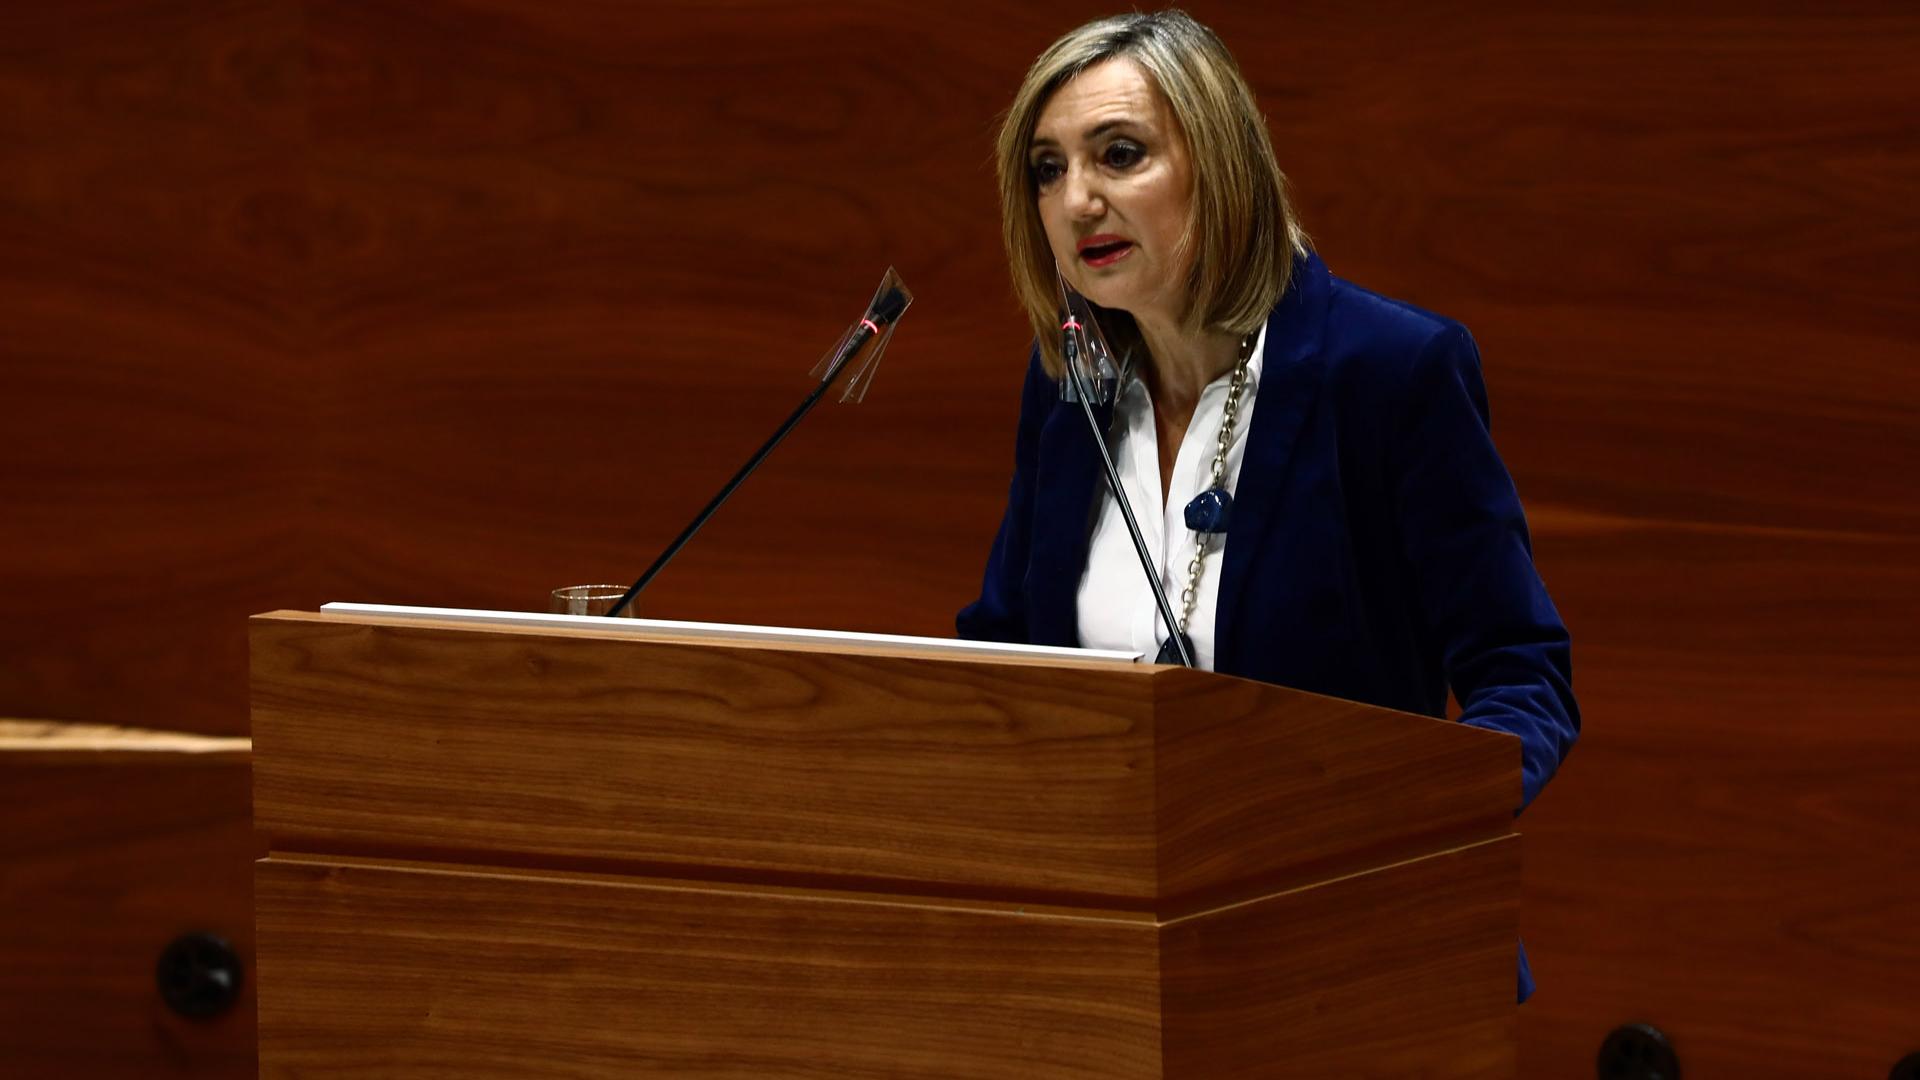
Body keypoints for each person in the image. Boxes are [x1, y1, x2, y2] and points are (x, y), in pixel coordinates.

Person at [955, 10, 1579, 1002]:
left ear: (1220, 166)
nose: (1078, 200)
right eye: (1046, 169)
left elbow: (1523, 674)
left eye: (1119, 155)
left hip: (1348, 965)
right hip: (1105, 970)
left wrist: (1399, 821)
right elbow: (1001, 657)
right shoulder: (1070, 389)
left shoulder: (1386, 372)